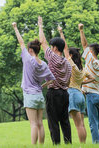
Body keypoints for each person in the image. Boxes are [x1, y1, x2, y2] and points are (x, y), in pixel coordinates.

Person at [12, 22, 55, 145]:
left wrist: (15, 27)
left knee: (33, 124)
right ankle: (41, 146)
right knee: (40, 123)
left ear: (30, 49)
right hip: (39, 95)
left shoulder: (27, 58)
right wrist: (43, 86)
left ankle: (33, 146)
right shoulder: (43, 64)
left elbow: (20, 42)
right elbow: (51, 79)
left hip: (29, 95)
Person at [38, 16, 72, 145]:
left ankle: (56, 144)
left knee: (53, 121)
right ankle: (68, 143)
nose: (50, 48)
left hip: (54, 93)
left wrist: (40, 26)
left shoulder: (53, 58)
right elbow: (68, 82)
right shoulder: (68, 64)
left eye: (52, 47)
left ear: (55, 48)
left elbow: (42, 42)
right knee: (65, 121)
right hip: (64, 94)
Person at [57, 26, 94, 144]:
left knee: (78, 125)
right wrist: (82, 82)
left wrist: (61, 32)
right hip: (81, 95)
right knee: (82, 124)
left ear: (71, 56)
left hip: (72, 93)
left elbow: (65, 48)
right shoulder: (82, 69)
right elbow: (93, 78)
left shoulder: (72, 65)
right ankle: (83, 145)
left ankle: (81, 146)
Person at [78, 23, 99, 144]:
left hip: (91, 96)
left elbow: (84, 45)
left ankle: (96, 144)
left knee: (92, 123)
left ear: (91, 52)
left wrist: (81, 30)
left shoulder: (91, 61)